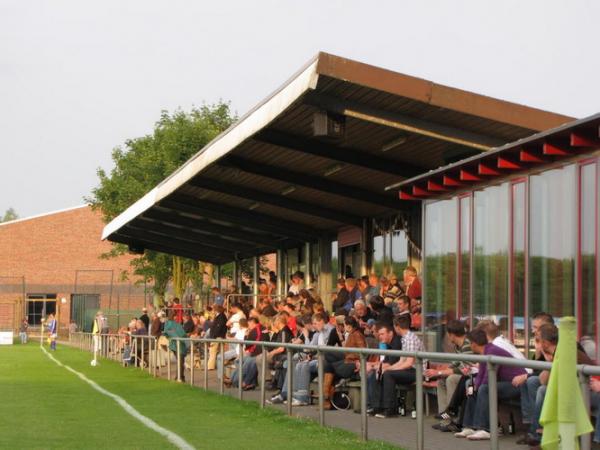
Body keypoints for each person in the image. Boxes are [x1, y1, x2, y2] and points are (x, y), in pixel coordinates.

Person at [454, 328, 527, 441]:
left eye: (470, 343)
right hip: (505, 383)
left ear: (473, 344)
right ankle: (469, 425)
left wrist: (477, 387)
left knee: (484, 388)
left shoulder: (492, 351)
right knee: (471, 385)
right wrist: (473, 387)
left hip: (517, 384)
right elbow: (481, 375)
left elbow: (488, 378)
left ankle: (485, 428)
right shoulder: (486, 351)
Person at [374, 315, 425, 418]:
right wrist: (387, 368)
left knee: (388, 375)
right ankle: (381, 406)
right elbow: (402, 360)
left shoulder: (410, 339)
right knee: (384, 372)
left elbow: (409, 363)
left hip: (418, 371)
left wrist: (389, 370)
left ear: (397, 327)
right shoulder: (405, 338)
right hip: (410, 369)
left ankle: (390, 409)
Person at [428, 319, 474, 431]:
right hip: (464, 375)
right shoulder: (458, 346)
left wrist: (439, 372)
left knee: (451, 379)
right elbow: (455, 364)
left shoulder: (467, 344)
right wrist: (440, 373)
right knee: (441, 381)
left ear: (451, 334)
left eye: (448, 335)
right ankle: (445, 420)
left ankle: (454, 419)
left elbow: (463, 369)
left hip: (471, 376)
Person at [321, 316, 367, 409]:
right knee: (328, 361)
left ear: (349, 326)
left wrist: (349, 356)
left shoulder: (357, 334)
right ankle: (326, 396)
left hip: (354, 363)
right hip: (348, 359)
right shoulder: (351, 334)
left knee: (329, 367)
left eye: (345, 325)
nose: (344, 327)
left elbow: (363, 351)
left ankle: (326, 397)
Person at [367, 321, 403, 415]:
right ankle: (375, 406)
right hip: (396, 368)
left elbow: (391, 363)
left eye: (382, 334)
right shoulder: (389, 344)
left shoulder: (396, 342)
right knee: (373, 374)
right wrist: (372, 365)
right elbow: (385, 362)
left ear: (390, 333)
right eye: (379, 334)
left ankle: (387, 407)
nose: (380, 336)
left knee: (382, 374)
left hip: (404, 369)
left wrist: (375, 367)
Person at [162, 310, 190, 382]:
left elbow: (165, 333)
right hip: (180, 345)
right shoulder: (176, 324)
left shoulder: (167, 323)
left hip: (173, 344)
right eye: (176, 316)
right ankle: (180, 377)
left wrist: (171, 337)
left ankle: (180, 377)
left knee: (180, 361)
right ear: (174, 316)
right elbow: (182, 334)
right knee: (181, 362)